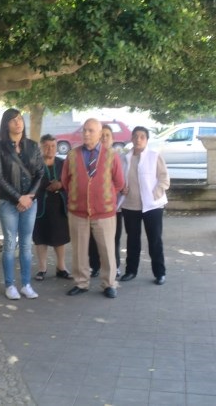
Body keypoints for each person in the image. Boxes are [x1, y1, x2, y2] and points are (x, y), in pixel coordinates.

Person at [61, 118, 124, 299]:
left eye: (91, 131)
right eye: (85, 130)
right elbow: (65, 181)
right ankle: (81, 282)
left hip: (104, 213)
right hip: (78, 211)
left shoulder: (111, 155)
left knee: (107, 250)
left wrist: (104, 196)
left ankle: (109, 284)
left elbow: (119, 183)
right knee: (79, 250)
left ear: (99, 134)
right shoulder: (72, 155)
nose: (86, 134)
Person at [0, 109, 43, 300]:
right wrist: (18, 198)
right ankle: (10, 285)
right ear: (6, 124)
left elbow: (40, 173)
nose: (18, 123)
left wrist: (29, 197)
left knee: (26, 244)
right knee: (10, 244)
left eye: (20, 119)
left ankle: (26, 284)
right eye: (13, 120)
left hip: (30, 203)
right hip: (8, 203)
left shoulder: (33, 146)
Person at [119, 126, 170, 285]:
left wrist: (155, 193)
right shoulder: (124, 158)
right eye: (135, 136)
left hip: (152, 206)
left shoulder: (154, 156)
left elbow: (164, 178)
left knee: (154, 240)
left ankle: (159, 273)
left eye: (142, 136)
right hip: (130, 205)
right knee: (132, 240)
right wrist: (121, 188)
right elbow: (118, 179)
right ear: (131, 139)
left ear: (147, 140)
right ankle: (131, 271)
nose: (138, 139)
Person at [32, 134, 71, 281]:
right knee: (40, 238)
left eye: (53, 146)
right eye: (47, 146)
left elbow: (70, 180)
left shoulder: (63, 163)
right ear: (41, 147)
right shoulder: (35, 163)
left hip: (59, 205)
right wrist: (46, 185)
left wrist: (60, 184)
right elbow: (30, 182)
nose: (50, 149)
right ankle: (42, 268)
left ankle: (61, 267)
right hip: (40, 205)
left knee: (59, 238)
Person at [89, 125, 123, 278]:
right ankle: (95, 266)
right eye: (101, 135)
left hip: (114, 207)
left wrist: (107, 196)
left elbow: (119, 182)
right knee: (93, 239)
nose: (104, 138)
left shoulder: (118, 157)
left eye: (107, 135)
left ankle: (114, 267)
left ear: (113, 139)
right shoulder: (90, 156)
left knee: (113, 239)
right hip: (94, 208)